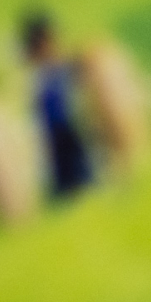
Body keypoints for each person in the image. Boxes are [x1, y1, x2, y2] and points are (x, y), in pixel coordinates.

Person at [21, 12, 94, 199]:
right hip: (56, 142)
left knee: (83, 172)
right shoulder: (36, 79)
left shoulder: (65, 67)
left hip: (73, 134)